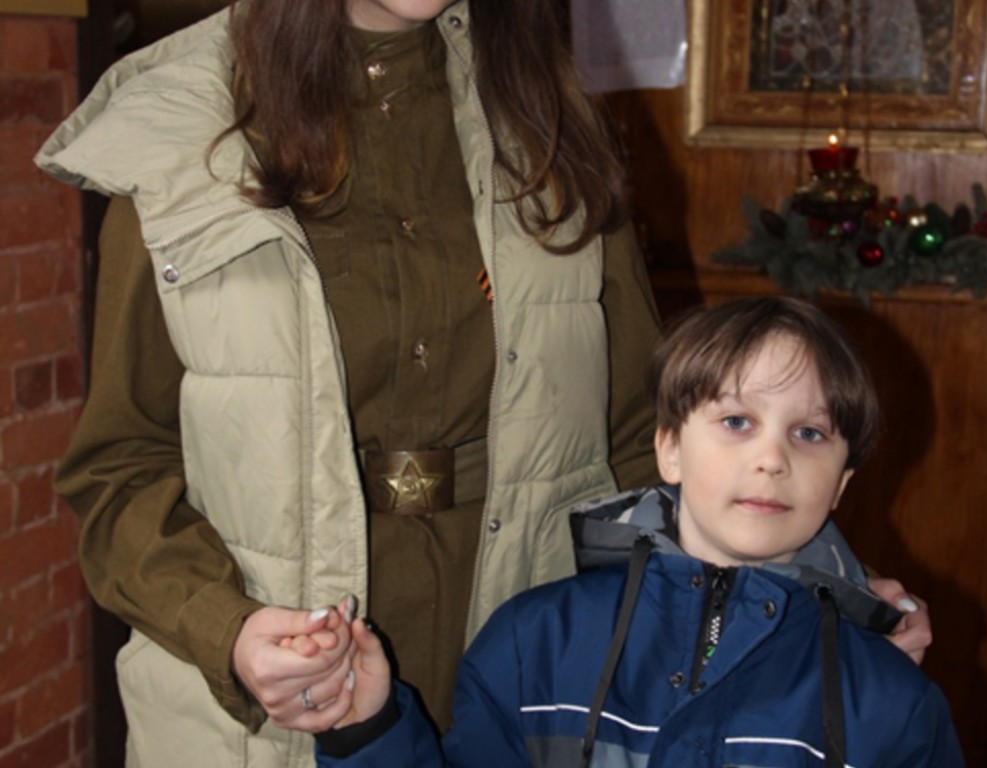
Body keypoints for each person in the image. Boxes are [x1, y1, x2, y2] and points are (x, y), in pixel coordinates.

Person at [35, 1, 930, 766]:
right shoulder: (181, 123)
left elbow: (649, 436)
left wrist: (830, 594)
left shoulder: (547, 113)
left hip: (534, 686)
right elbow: (120, 469)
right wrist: (225, 630)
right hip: (261, 718)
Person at [312, 296, 964, 768]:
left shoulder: (889, 697)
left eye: (809, 433)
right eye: (737, 422)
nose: (772, 458)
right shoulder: (535, 644)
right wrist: (368, 732)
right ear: (669, 448)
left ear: (841, 485)